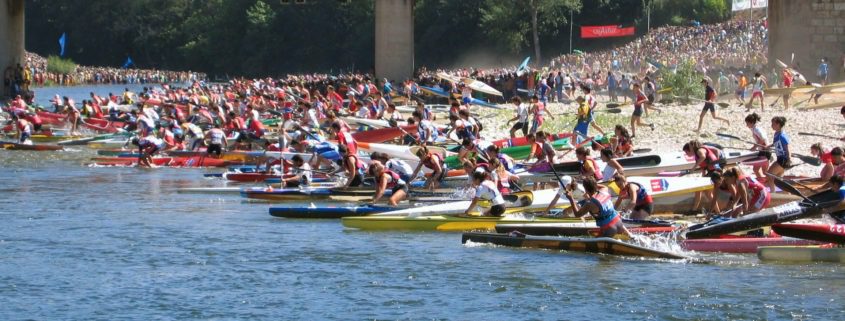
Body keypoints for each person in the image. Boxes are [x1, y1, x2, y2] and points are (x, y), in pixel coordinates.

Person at [565, 177, 631, 238]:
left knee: (594, 247)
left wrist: (571, 199)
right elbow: (602, 186)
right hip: (618, 222)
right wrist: (593, 184)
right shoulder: (604, 190)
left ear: (585, 189)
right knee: (632, 239)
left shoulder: (590, 204)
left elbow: (577, 214)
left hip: (609, 228)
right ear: (595, 185)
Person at [766, 116, 791, 193]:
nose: (771, 125)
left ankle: (773, 193)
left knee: (769, 174)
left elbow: (788, 148)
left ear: (778, 124)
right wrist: (769, 146)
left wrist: (789, 159)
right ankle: (786, 193)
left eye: (773, 124)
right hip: (779, 158)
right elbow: (775, 143)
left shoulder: (782, 136)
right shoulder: (776, 134)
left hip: (783, 159)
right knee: (779, 179)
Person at [745, 113, 769, 179]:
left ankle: (769, 182)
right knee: (758, 170)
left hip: (765, 151)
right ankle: (763, 181)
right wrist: (754, 146)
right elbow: (758, 140)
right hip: (762, 151)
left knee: (763, 171)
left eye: (747, 123)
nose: (746, 125)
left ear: (752, 122)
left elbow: (763, 139)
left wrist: (755, 147)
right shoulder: (754, 129)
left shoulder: (757, 129)